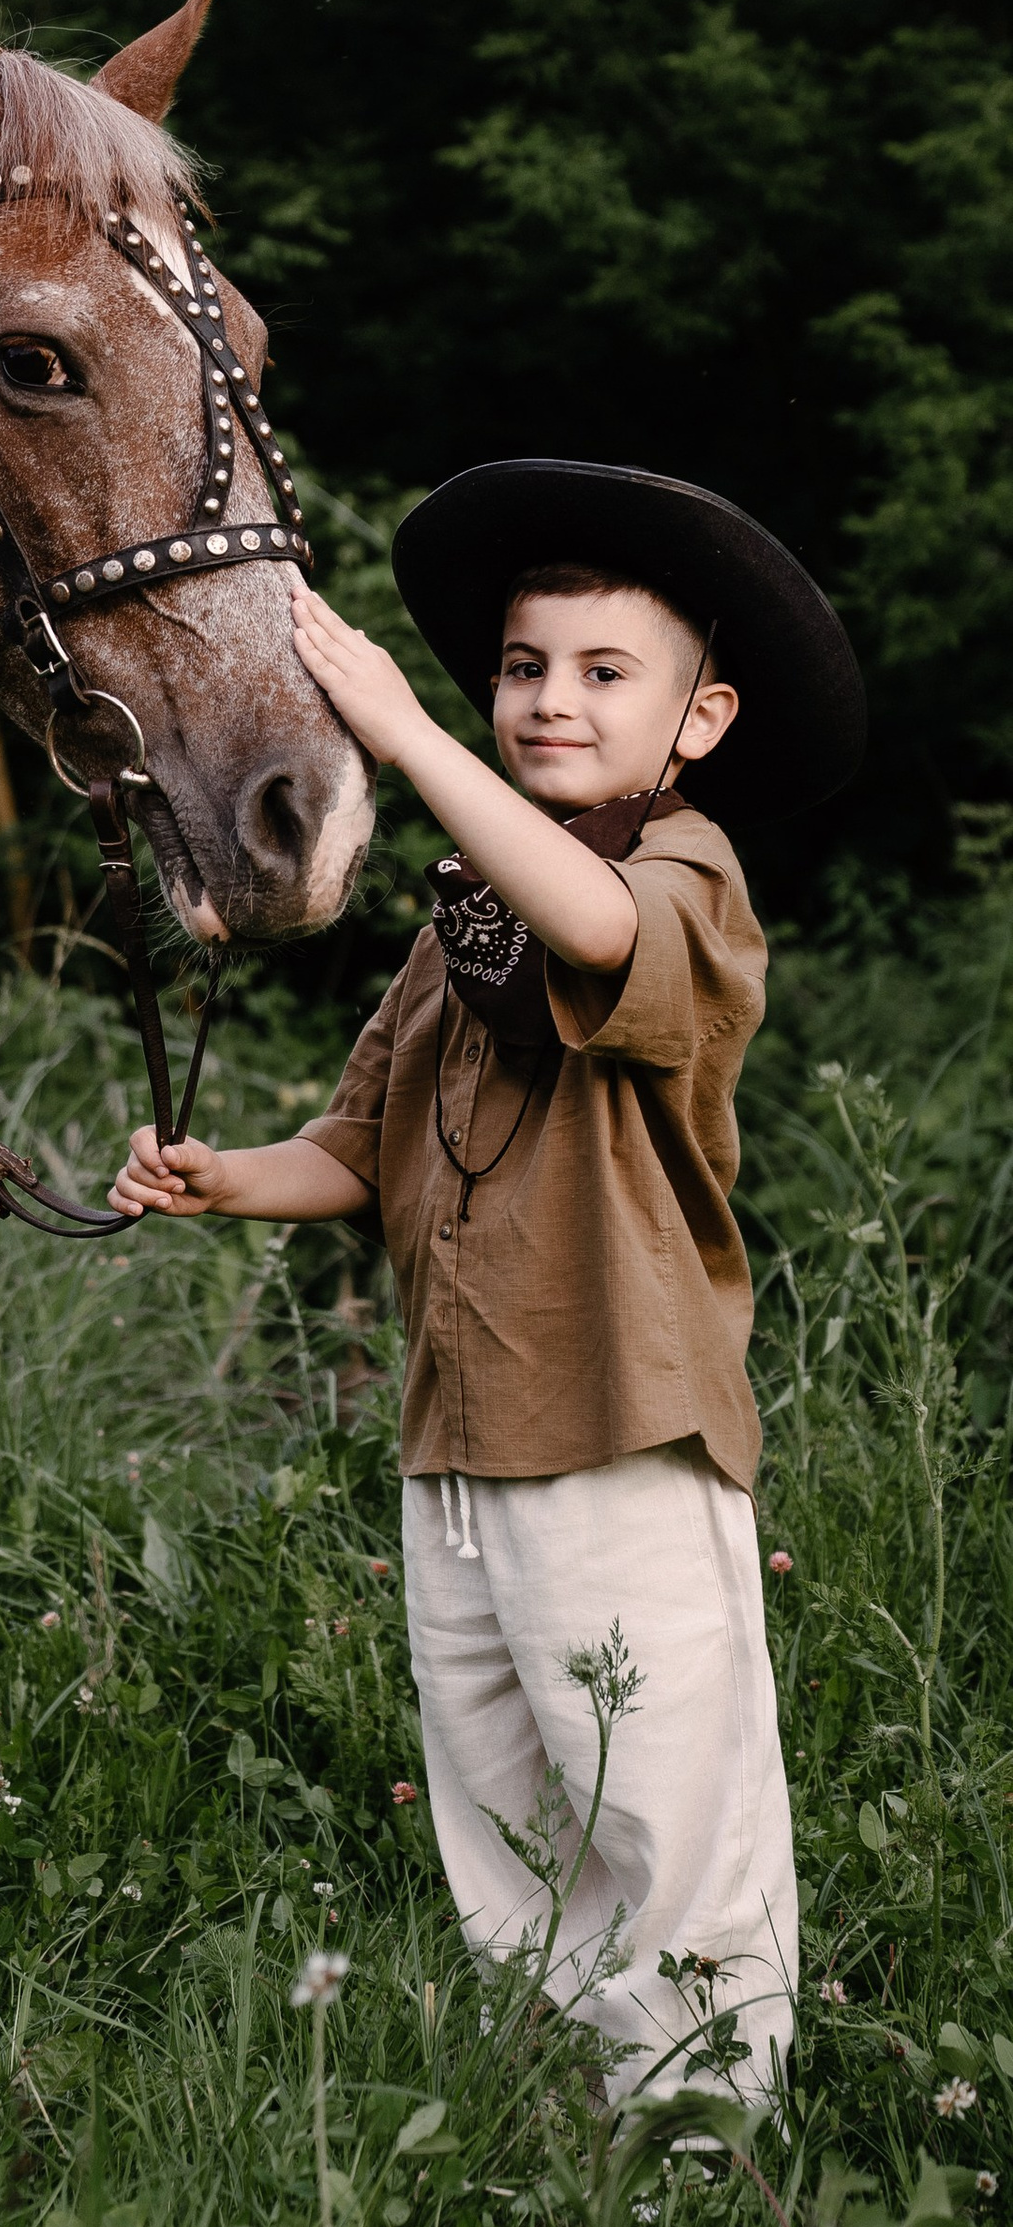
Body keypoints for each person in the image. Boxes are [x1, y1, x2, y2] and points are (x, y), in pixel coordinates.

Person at [111, 460, 864, 2106]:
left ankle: (707, 2140)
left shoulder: (685, 878)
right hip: (460, 1445)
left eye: (604, 672)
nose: (549, 700)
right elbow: (361, 1144)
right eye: (524, 667)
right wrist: (226, 1176)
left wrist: (404, 737)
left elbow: (594, 927)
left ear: (700, 720)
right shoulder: (463, 922)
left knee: (659, 1800)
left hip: (617, 1427)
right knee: (510, 1810)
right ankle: (566, 2123)